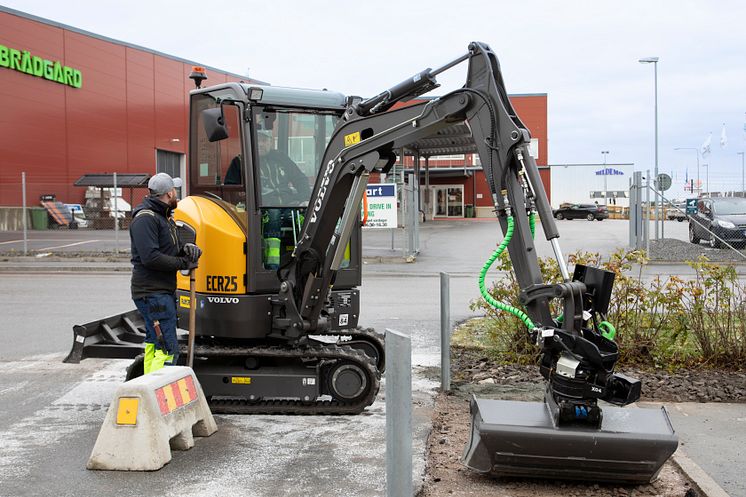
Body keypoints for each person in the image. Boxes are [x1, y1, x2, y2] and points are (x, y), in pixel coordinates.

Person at [130, 173, 202, 374]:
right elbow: (150, 257)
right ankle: (159, 391)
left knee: (156, 345)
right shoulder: (146, 219)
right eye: (175, 191)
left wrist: (187, 249)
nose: (176, 194)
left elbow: (167, 249)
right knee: (168, 349)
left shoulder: (164, 217)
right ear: (169, 193)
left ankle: (146, 386)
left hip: (159, 293)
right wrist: (183, 263)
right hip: (152, 294)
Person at [256, 130, 311, 269]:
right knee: (273, 213)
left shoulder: (281, 158)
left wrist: (304, 199)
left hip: (288, 206)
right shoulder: (242, 160)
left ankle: (308, 262)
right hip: (262, 208)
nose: (262, 144)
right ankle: (272, 266)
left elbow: (300, 179)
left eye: (265, 140)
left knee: (304, 214)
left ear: (270, 142)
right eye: (259, 140)